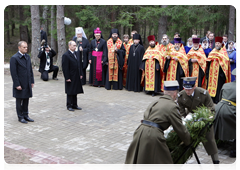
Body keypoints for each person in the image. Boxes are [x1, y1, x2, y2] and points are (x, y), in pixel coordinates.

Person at [122, 80, 191, 170]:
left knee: (135, 160)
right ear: (175, 94)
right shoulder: (172, 106)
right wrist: (188, 141)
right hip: (153, 135)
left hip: (140, 131)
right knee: (165, 164)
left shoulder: (155, 102)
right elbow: (180, 128)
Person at [177, 77, 220, 170]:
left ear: (194, 86)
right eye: (185, 88)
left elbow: (211, 109)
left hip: (204, 119)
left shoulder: (203, 94)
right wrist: (185, 121)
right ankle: (179, 163)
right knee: (185, 141)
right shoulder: (181, 96)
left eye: (189, 89)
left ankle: (216, 165)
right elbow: (181, 112)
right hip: (191, 118)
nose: (187, 91)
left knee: (210, 141)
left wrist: (205, 120)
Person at [214, 67, 238, 158]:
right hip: (230, 110)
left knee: (218, 124)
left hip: (218, 108)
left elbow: (220, 98)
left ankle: (217, 144)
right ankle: (234, 150)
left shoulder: (226, 85)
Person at [10, 41, 34, 124]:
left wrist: (32, 81)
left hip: (27, 83)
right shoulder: (14, 58)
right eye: (24, 47)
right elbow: (14, 73)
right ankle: (20, 117)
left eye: (26, 47)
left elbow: (30, 70)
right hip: (20, 83)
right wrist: (17, 84)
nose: (26, 48)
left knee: (26, 100)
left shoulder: (27, 56)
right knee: (19, 100)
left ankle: (26, 115)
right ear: (19, 48)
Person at [206, 36, 231, 104]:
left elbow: (226, 62)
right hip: (211, 75)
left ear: (221, 44)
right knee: (210, 89)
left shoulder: (224, 53)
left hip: (219, 76)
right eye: (216, 43)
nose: (217, 44)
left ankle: (217, 102)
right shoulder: (212, 52)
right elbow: (208, 61)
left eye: (218, 43)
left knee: (218, 90)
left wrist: (219, 60)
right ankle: (210, 102)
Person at [62, 41, 84, 111]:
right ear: (69, 46)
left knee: (75, 90)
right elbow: (65, 68)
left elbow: (79, 65)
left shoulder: (76, 53)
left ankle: (75, 104)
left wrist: (80, 73)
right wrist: (67, 77)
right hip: (70, 76)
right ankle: (69, 105)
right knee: (70, 91)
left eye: (75, 46)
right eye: (74, 46)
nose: (75, 47)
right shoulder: (66, 55)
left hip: (76, 75)